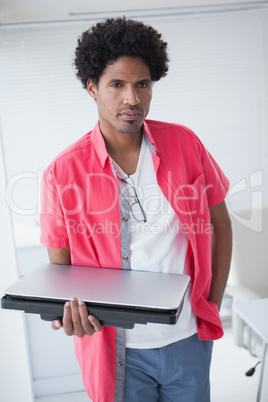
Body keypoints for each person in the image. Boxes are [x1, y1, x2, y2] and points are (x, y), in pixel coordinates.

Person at [40, 16, 232, 402]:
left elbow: (219, 225)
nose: (133, 98)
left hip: (188, 338)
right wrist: (68, 314)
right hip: (114, 349)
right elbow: (61, 272)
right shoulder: (62, 173)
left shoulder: (184, 143)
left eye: (142, 84)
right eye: (117, 85)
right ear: (92, 88)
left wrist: (211, 303)